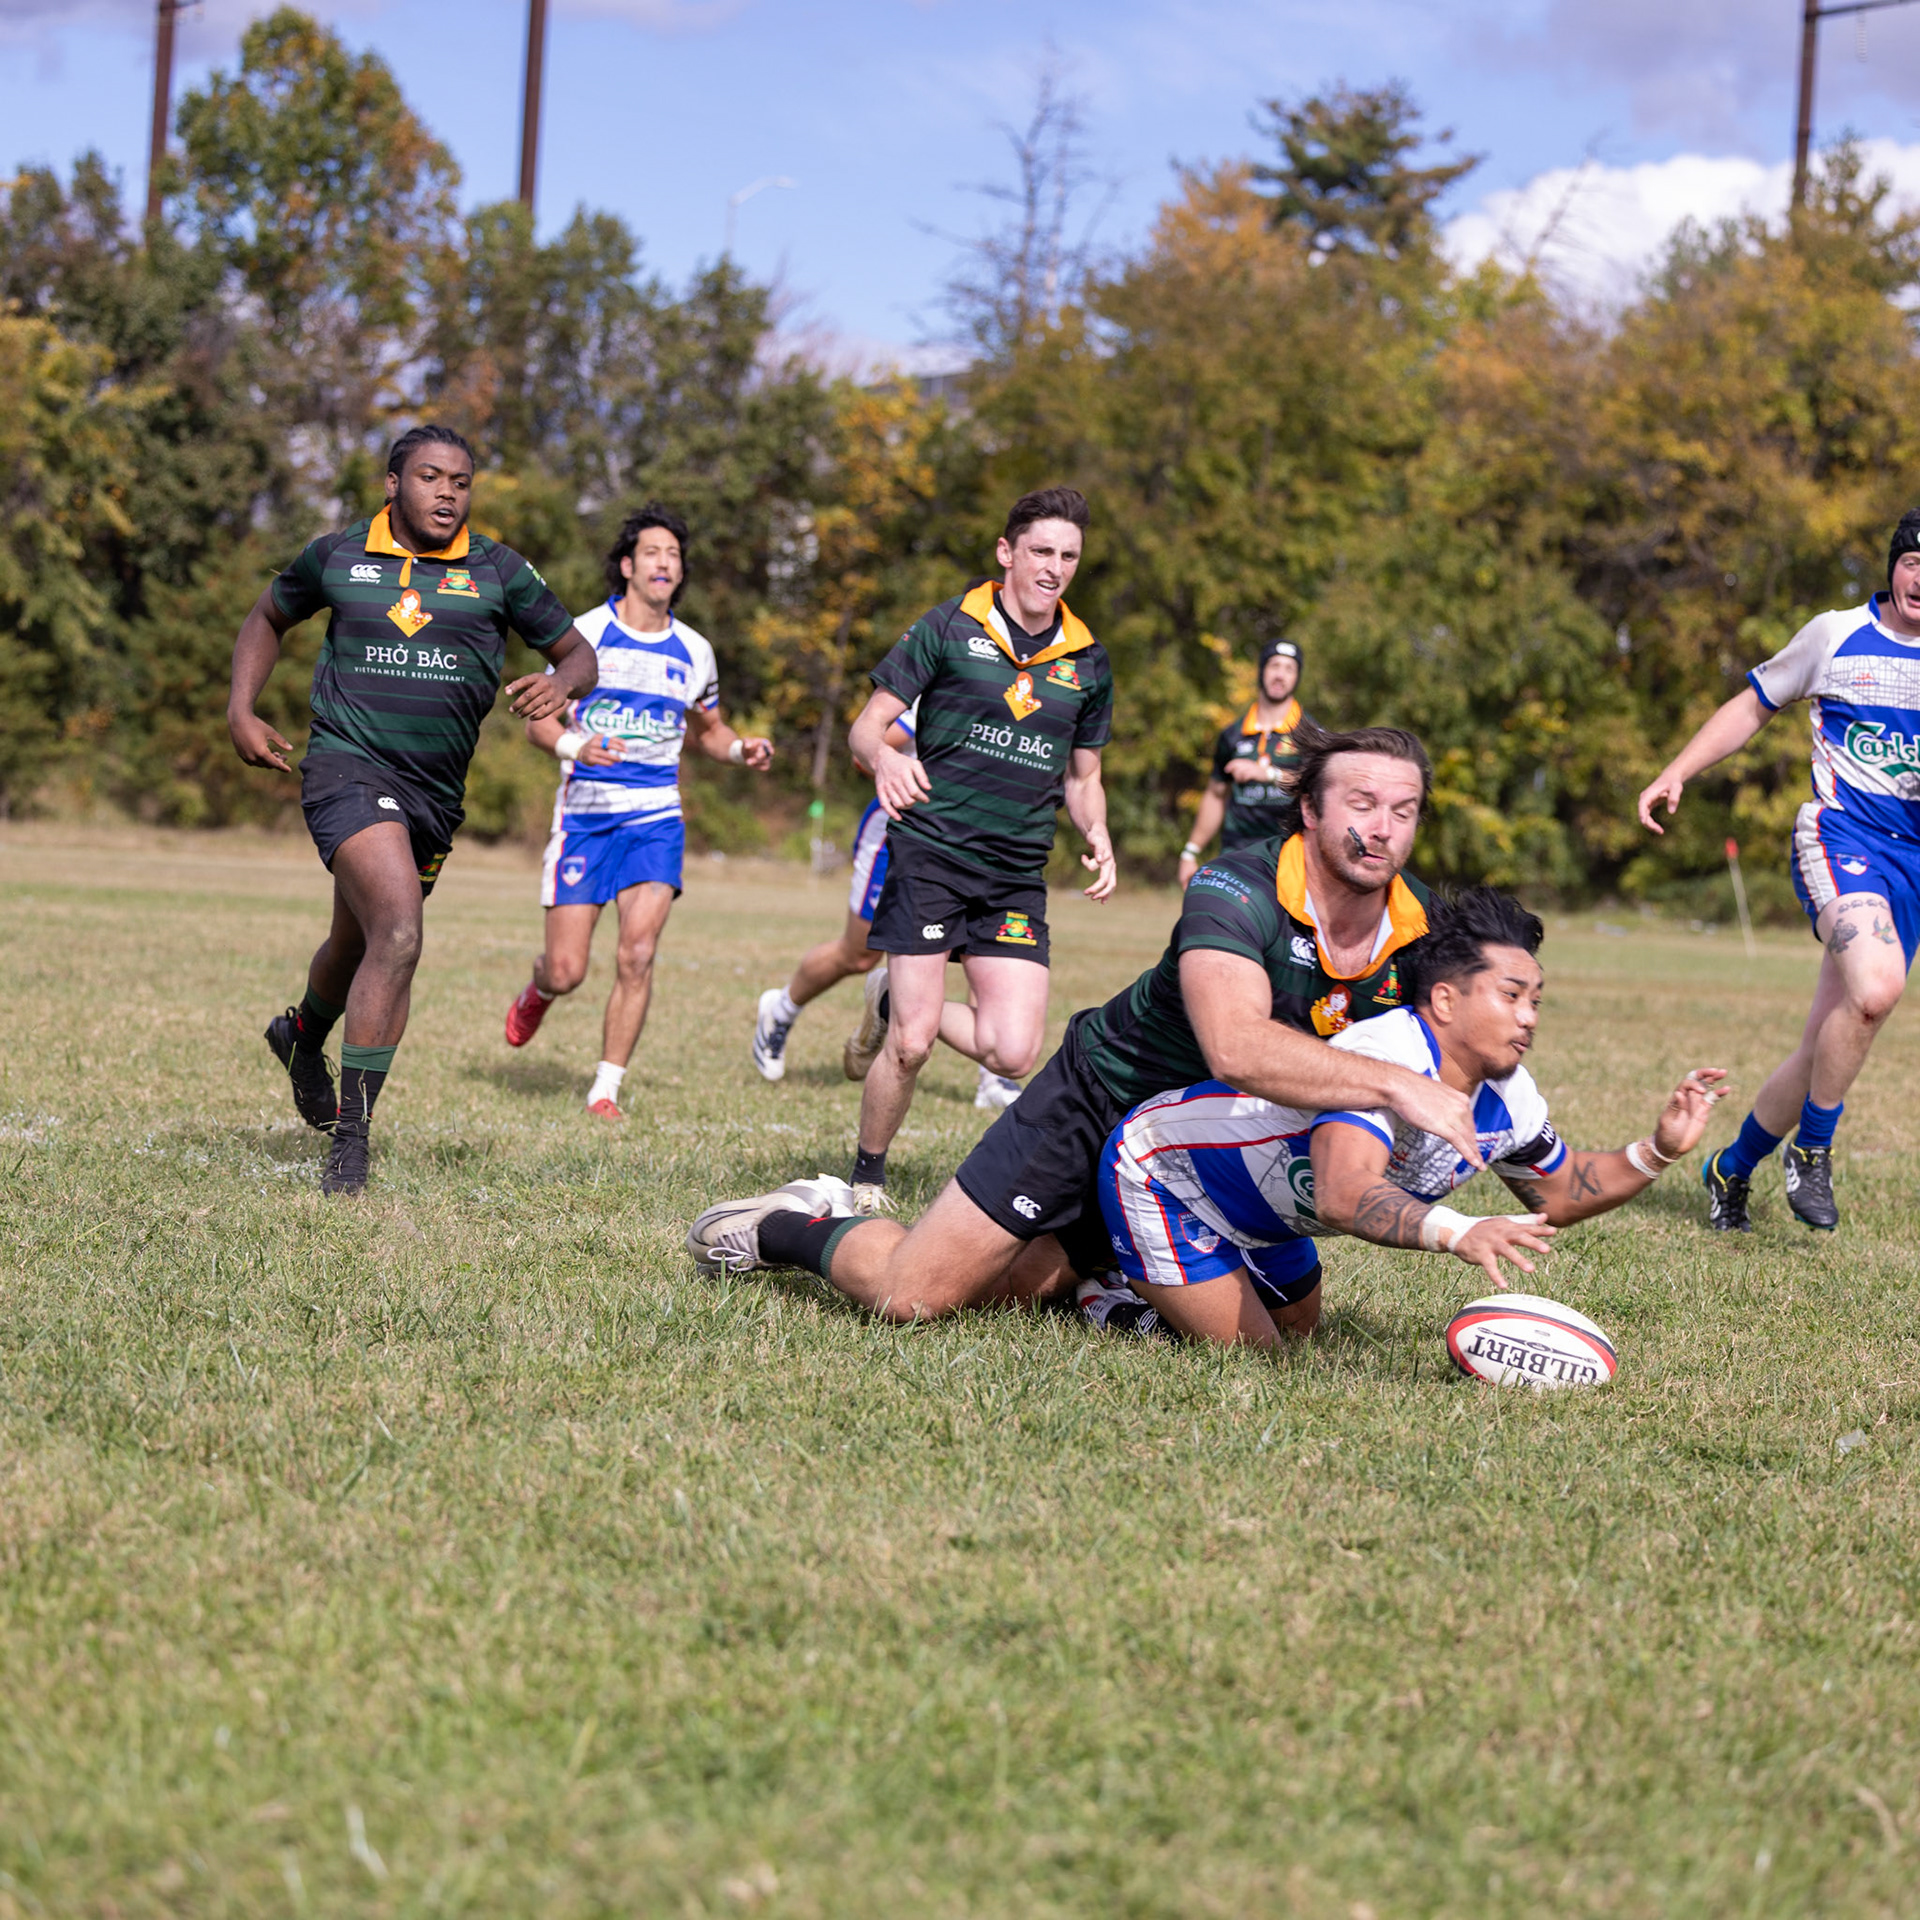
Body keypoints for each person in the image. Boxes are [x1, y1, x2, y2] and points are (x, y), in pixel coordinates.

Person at [686, 725, 1488, 1321]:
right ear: (1309, 809)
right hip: (1101, 1100)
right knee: (917, 1296)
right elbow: (1234, 1047)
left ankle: (1100, 1277)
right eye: (1362, 804)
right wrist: (1396, 1086)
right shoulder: (1235, 889)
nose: (1383, 828)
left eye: (1404, 810)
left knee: (1282, 1327)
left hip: (1198, 1152)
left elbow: (1481, 1028)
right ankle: (793, 1224)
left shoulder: (1422, 927)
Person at [1092, 887, 1728, 1348]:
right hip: (1166, 1176)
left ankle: (1157, 1280)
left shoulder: (1509, 1095)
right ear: (1445, 1000)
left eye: (1536, 1000)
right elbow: (1342, 1193)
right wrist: (1458, 1231)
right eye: (1511, 995)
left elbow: (1558, 1193)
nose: (1529, 1017)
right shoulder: (1386, 1057)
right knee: (1257, 1362)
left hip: (1267, 1219)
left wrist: (1658, 1151)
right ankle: (1107, 1300)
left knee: (1303, 1336)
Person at [232, 425, 597, 1195]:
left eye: (461, 481)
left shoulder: (498, 570)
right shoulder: (337, 555)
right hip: (346, 768)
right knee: (398, 931)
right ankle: (351, 1145)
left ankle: (301, 1035)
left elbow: (578, 653)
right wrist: (242, 709)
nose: (448, 492)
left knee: (357, 942)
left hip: (435, 795)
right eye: (431, 477)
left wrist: (561, 684)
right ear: (393, 483)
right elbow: (267, 616)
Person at [836, 487, 1119, 1210]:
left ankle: (890, 994)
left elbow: (1084, 776)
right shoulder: (948, 626)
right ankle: (866, 1178)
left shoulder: (1087, 660)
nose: (1054, 567)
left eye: (1068, 556)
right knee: (911, 1044)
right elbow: (865, 728)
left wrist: (1096, 829)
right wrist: (886, 758)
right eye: (1042, 551)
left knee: (1012, 1051)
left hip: (1015, 873)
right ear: (1007, 553)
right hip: (932, 853)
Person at [1638, 508, 1920, 1233]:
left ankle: (1730, 1169)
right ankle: (1813, 1152)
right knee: (1877, 988)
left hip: (1912, 864)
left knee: (1830, 1037)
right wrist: (1677, 769)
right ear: (1893, 566)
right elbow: (1753, 705)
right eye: (1914, 561)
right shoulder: (1835, 635)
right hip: (1843, 836)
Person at [502, 505, 772, 1116]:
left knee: (638, 953)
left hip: (656, 818)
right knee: (567, 970)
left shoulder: (695, 650)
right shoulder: (585, 634)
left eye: (674, 555)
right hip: (585, 817)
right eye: (653, 552)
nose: (664, 562)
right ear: (627, 566)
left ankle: (605, 1089)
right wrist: (577, 746)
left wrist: (740, 749)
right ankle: (540, 989)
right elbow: (540, 723)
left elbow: (709, 730)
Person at [750, 702, 1023, 1109]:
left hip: (977, 836)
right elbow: (867, 753)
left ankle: (993, 1078)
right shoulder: (946, 685)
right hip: (900, 828)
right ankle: (781, 1009)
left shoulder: (1024, 694)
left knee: (982, 946)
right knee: (859, 954)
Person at [1178, 636, 1314, 886]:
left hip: (1292, 855)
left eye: (1289, 669)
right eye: (1274, 665)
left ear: (1297, 677)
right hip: (1238, 854)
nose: (1280, 675)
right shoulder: (1232, 735)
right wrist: (1190, 851)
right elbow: (1215, 795)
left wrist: (1270, 775)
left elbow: (1319, 789)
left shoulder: (1311, 733)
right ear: (1261, 670)